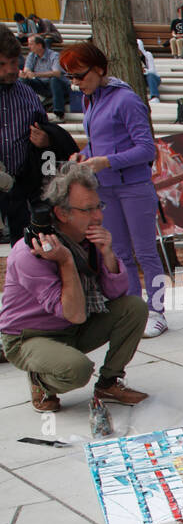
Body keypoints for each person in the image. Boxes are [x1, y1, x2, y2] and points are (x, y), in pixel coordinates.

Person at [1, 163, 149, 412]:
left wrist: (108, 254)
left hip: (71, 327)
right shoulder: (29, 252)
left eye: (98, 207)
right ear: (62, 213)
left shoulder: (87, 240)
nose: (98, 216)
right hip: (30, 336)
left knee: (134, 307)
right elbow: (75, 313)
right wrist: (66, 261)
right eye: (88, 210)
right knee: (77, 370)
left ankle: (109, 382)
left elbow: (115, 295)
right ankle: (40, 379)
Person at [62, 43, 168, 340]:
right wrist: (84, 155)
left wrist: (106, 161)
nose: (76, 83)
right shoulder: (90, 100)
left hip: (133, 186)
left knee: (146, 251)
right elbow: (99, 140)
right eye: (71, 78)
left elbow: (146, 148)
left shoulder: (126, 100)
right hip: (105, 188)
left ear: (98, 69)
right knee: (119, 251)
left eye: (79, 76)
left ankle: (157, 310)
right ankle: (134, 309)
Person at [0, 27, 51, 244]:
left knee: (23, 249)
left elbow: (47, 130)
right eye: (2, 64)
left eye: (13, 62)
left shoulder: (26, 93)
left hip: (20, 187)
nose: (11, 70)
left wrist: (45, 139)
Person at [20, 35, 69, 121]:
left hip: (58, 86)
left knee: (54, 80)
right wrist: (24, 73)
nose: (29, 46)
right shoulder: (31, 55)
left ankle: (59, 113)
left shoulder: (54, 55)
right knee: (22, 80)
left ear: (39, 45)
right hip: (42, 85)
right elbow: (27, 70)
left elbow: (57, 73)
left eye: (31, 44)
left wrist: (35, 74)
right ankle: (25, 110)